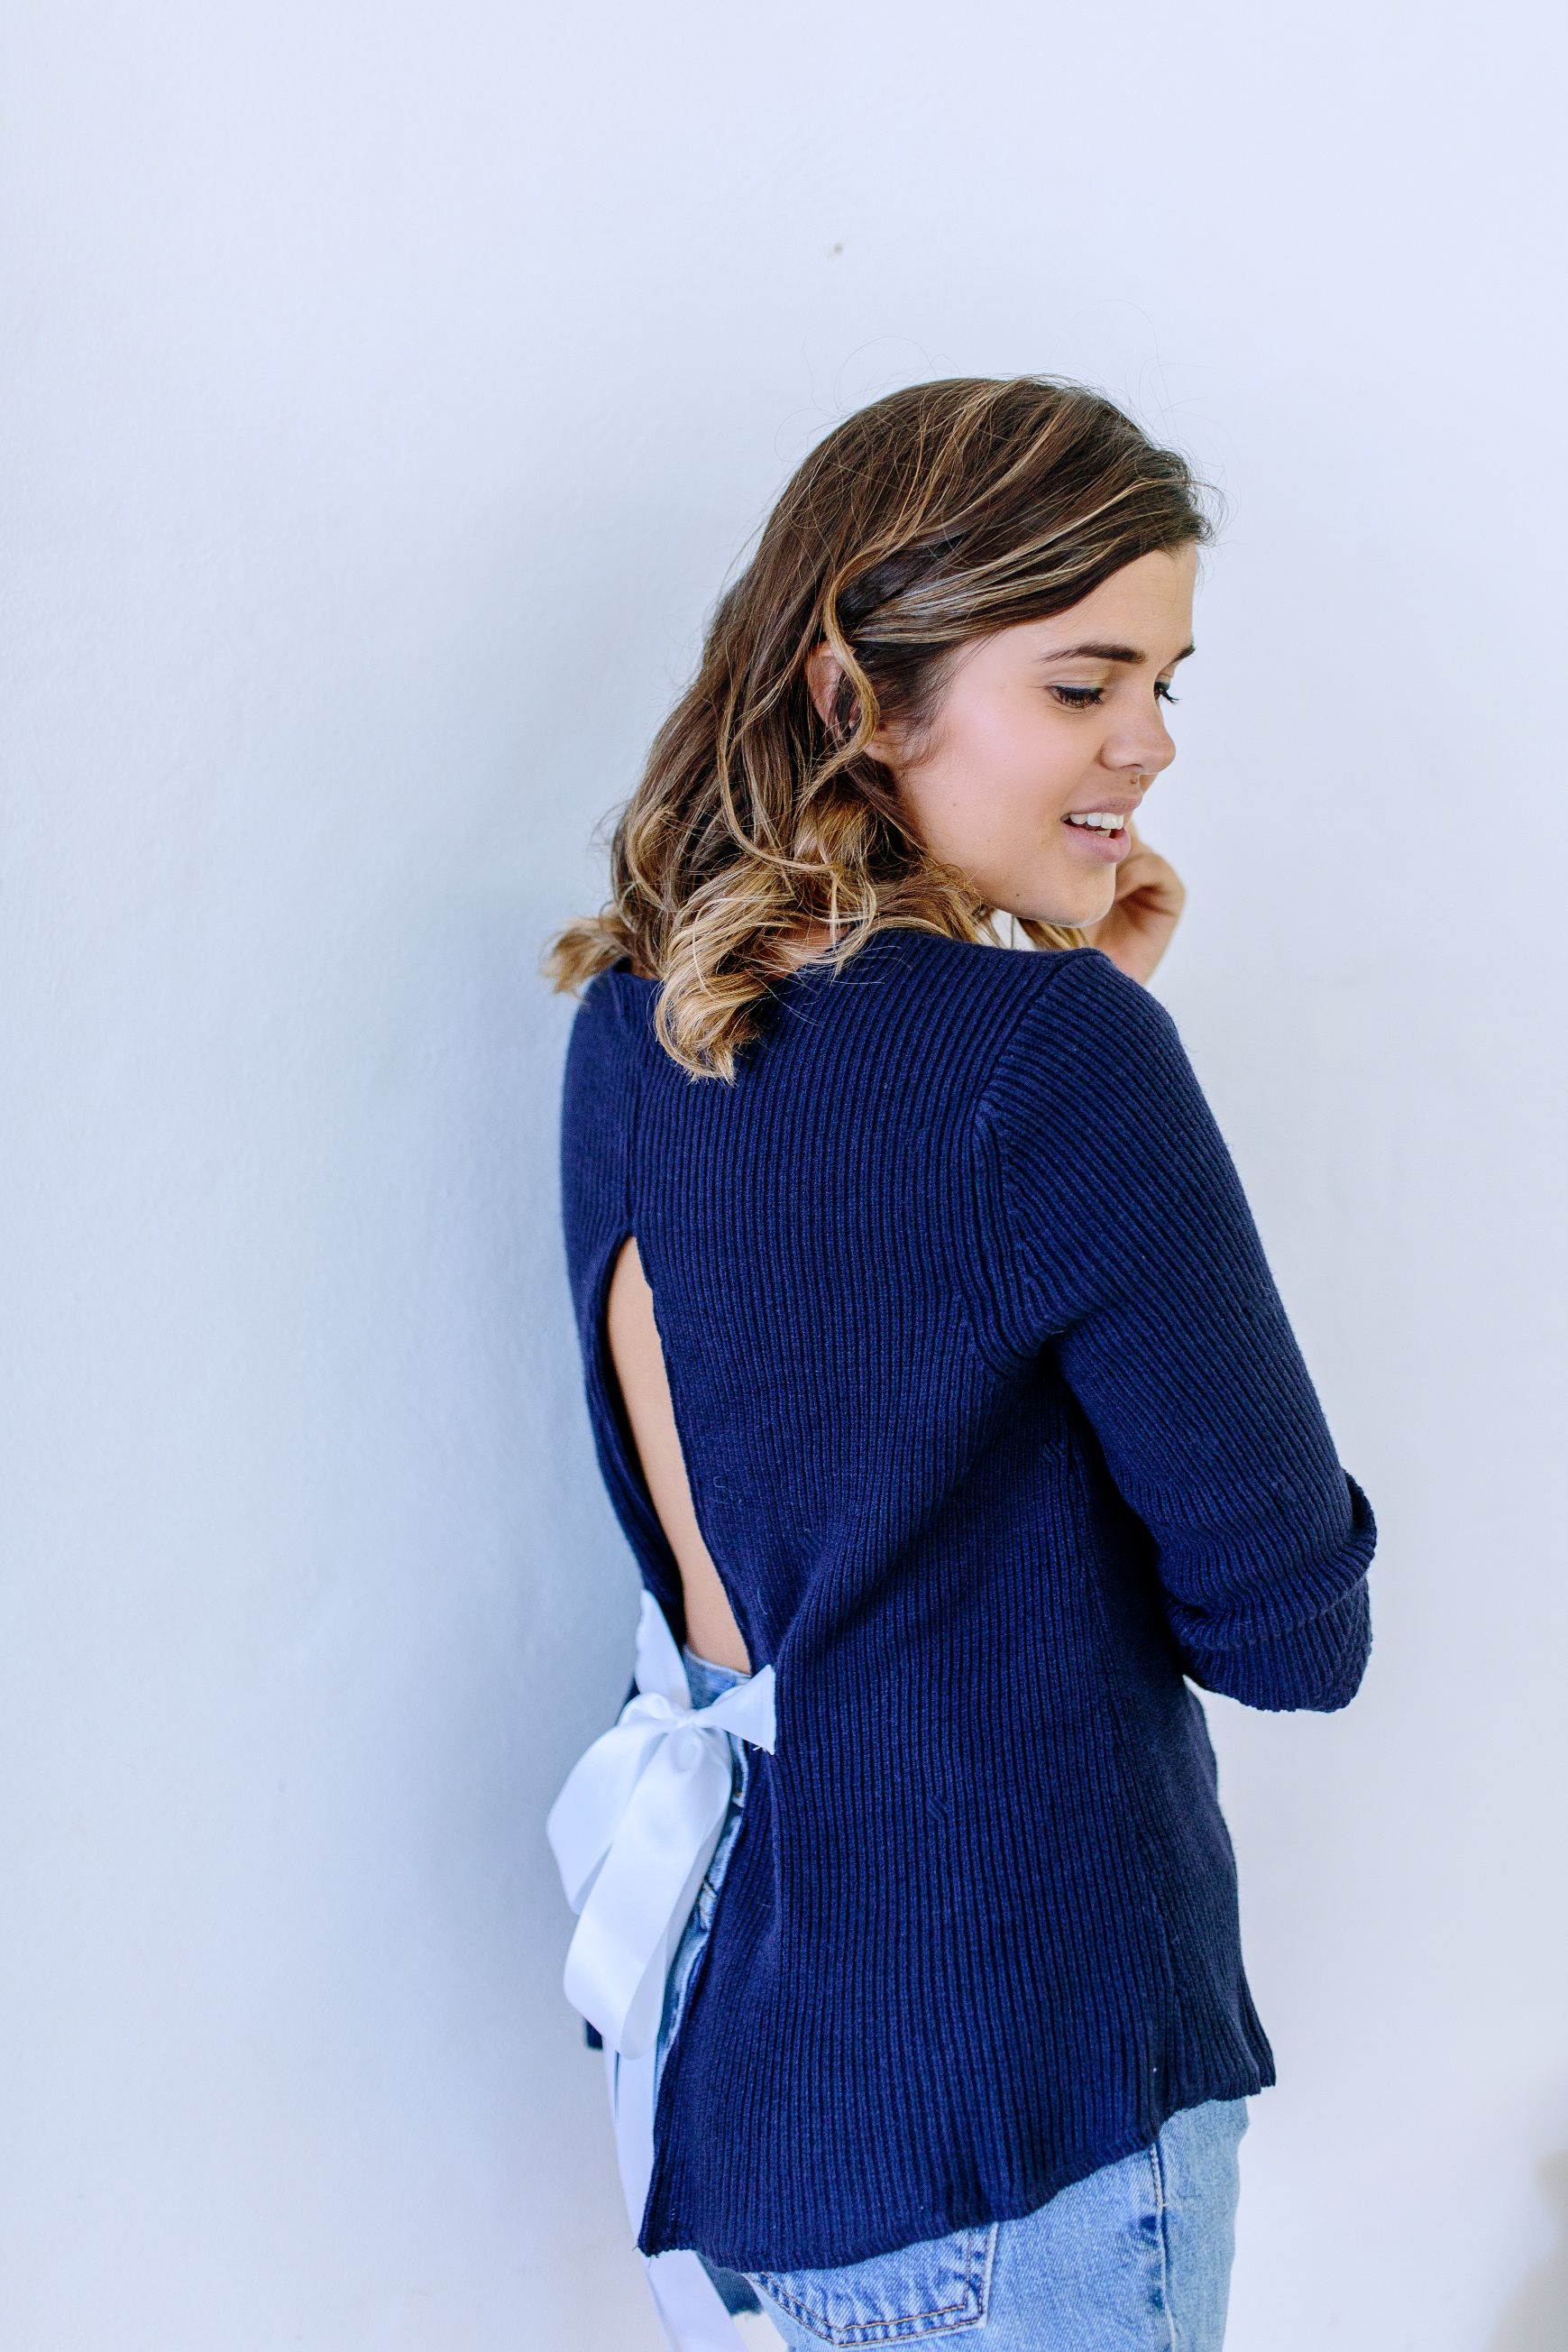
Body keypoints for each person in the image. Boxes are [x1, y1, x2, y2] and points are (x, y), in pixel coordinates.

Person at [545, 377, 1375, 2352]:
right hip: (1018, 2103)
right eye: (1083, 683)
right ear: (856, 691)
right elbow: (1294, 1634)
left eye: (1164, 684)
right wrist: (1092, 1065)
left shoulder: (639, 1022)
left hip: (749, 2061)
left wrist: (1071, 1048)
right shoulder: (1053, 1066)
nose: (1148, 744)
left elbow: (831, 1408)